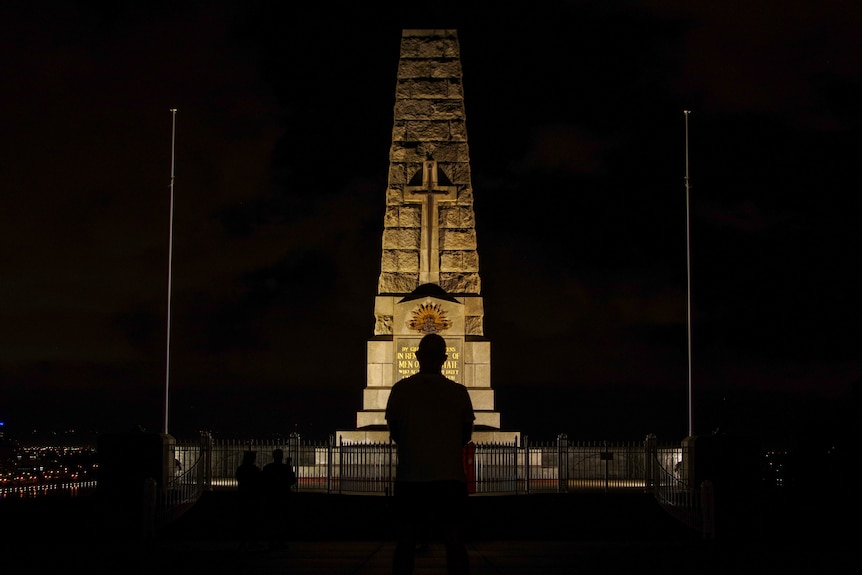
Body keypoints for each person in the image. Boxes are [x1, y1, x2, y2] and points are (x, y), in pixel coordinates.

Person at [385, 333, 475, 575]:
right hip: (449, 479)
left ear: (417, 357)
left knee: (405, 542)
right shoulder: (459, 392)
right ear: (445, 359)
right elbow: (466, 434)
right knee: (455, 543)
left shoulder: (401, 390)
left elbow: (395, 431)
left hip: (411, 479)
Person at [261, 448, 297, 550]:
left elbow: (263, 481)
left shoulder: (268, 468)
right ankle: (280, 541)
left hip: (271, 497)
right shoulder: (285, 468)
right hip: (283, 496)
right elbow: (292, 480)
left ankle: (272, 541)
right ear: (281, 457)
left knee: (272, 520)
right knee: (281, 520)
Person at [235, 450, 262, 549]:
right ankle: (253, 541)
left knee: (243, 520)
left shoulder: (241, 468)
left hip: (243, 496)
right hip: (253, 497)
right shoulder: (255, 469)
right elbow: (259, 481)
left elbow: (238, 478)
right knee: (253, 520)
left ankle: (243, 541)